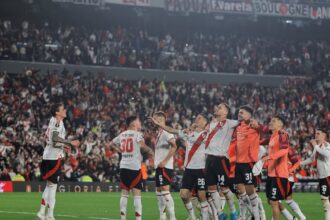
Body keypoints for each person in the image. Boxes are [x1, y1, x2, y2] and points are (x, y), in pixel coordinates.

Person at [152, 113, 210, 220]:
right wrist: (160, 124)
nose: (196, 119)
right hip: (189, 169)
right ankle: (192, 216)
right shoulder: (188, 133)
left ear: (205, 122)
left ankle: (207, 216)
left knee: (202, 196)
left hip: (201, 168)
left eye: (199, 118)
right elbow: (171, 130)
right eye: (196, 118)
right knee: (183, 195)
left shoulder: (207, 134)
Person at [37, 103, 80, 220]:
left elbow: (53, 141)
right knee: (53, 187)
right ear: (57, 113)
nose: (65, 110)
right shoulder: (57, 122)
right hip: (53, 157)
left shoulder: (53, 120)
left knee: (49, 186)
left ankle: (41, 212)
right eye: (62, 109)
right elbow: (55, 139)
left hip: (49, 155)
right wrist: (69, 143)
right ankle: (50, 215)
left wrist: (65, 146)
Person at [111, 116, 153, 220]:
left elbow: (111, 143)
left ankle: (123, 218)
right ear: (133, 124)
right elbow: (142, 146)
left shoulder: (122, 134)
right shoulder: (138, 135)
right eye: (138, 121)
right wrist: (150, 150)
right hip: (134, 167)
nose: (140, 123)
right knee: (137, 194)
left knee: (124, 193)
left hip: (123, 166)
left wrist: (120, 151)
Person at [205, 103, 238, 220]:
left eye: (220, 107)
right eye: (217, 106)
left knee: (224, 188)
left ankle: (233, 211)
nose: (217, 108)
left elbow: (244, 121)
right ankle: (220, 213)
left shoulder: (229, 123)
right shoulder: (210, 124)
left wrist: (251, 122)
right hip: (209, 159)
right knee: (211, 188)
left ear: (226, 112)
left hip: (221, 159)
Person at [230, 106, 263, 219]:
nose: (239, 114)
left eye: (242, 113)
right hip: (238, 164)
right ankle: (247, 215)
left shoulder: (254, 125)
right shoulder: (238, 127)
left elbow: (265, 131)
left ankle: (258, 216)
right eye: (239, 112)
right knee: (241, 193)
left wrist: (259, 126)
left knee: (251, 192)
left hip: (248, 163)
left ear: (249, 115)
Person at [262, 115, 290, 220]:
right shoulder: (273, 136)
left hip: (279, 174)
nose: (270, 122)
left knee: (274, 202)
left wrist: (269, 157)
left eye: (273, 121)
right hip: (271, 174)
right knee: (271, 201)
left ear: (280, 124)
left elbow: (284, 150)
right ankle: (290, 217)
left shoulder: (282, 134)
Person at [152, 111, 178, 220]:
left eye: (156, 118)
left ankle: (172, 217)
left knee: (164, 189)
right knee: (158, 190)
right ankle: (162, 216)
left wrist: (165, 161)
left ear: (161, 120)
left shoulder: (167, 132)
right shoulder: (159, 133)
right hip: (159, 166)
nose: (154, 120)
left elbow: (174, 146)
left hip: (165, 166)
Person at [300, 128, 330, 220]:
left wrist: (315, 146)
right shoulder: (318, 146)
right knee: (327, 200)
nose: (316, 135)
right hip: (322, 177)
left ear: (324, 136)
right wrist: (300, 164)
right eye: (316, 133)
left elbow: (326, 154)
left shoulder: (327, 146)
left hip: (328, 176)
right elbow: (311, 159)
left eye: (318, 133)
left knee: (325, 200)